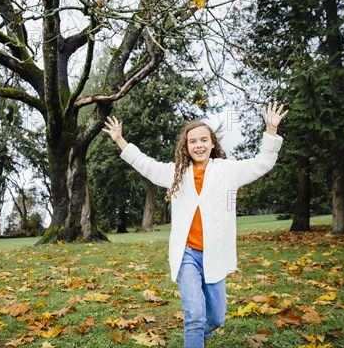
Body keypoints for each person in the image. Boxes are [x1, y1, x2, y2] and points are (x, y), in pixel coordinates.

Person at [103, 102, 288, 348]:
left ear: (212, 144)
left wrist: (271, 131)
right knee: (194, 315)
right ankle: (195, 333)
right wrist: (120, 141)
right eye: (193, 141)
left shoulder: (227, 171)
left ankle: (201, 333)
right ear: (186, 147)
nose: (198, 145)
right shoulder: (177, 173)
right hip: (186, 254)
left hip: (215, 255)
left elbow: (262, 163)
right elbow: (146, 165)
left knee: (216, 318)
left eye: (203, 140)